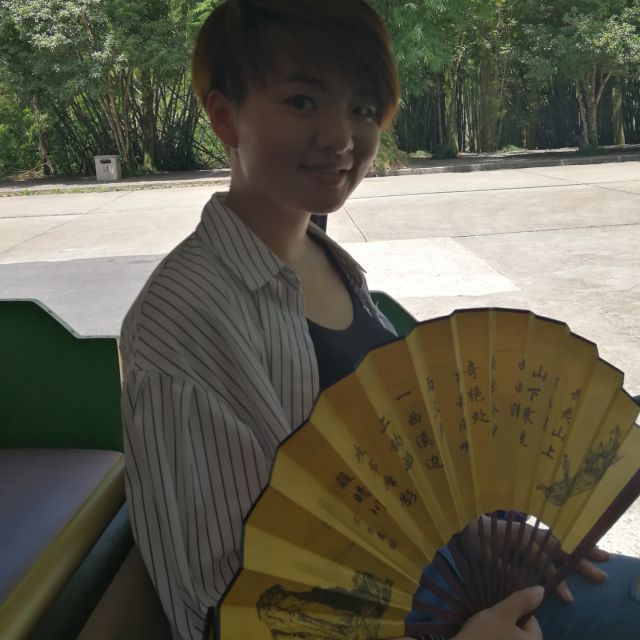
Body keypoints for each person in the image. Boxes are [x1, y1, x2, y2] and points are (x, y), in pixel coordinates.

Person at [119, 1, 640, 639]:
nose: (341, 138)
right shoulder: (182, 323)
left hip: (452, 577)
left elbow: (384, 475)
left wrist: (474, 533)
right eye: (303, 102)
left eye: (362, 109)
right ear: (225, 115)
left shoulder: (330, 262)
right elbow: (222, 609)